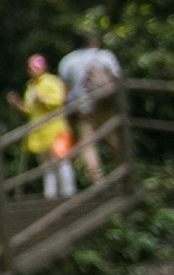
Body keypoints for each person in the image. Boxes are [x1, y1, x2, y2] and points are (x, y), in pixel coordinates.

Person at [57, 31, 121, 184]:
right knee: (116, 141)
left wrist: (65, 114)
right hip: (105, 105)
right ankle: (123, 176)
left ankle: (97, 181)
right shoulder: (105, 56)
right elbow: (118, 80)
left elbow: (64, 92)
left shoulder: (67, 61)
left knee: (88, 146)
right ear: (90, 41)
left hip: (83, 109)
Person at [9, 55, 76, 198]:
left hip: (57, 131)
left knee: (62, 162)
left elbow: (59, 100)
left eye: (35, 67)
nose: (32, 70)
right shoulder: (31, 86)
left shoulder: (52, 82)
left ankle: (68, 193)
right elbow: (29, 109)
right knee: (46, 167)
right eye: (30, 67)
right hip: (39, 133)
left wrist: (43, 99)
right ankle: (50, 196)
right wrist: (17, 103)